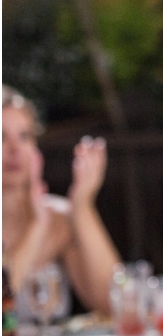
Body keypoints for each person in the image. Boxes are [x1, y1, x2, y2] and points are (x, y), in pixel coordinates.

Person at [2, 86, 120, 317]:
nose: (15, 149)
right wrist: (36, 228)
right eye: (0, 137)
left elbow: (115, 304)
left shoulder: (58, 217)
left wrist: (82, 204)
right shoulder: (44, 220)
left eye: (24, 136)